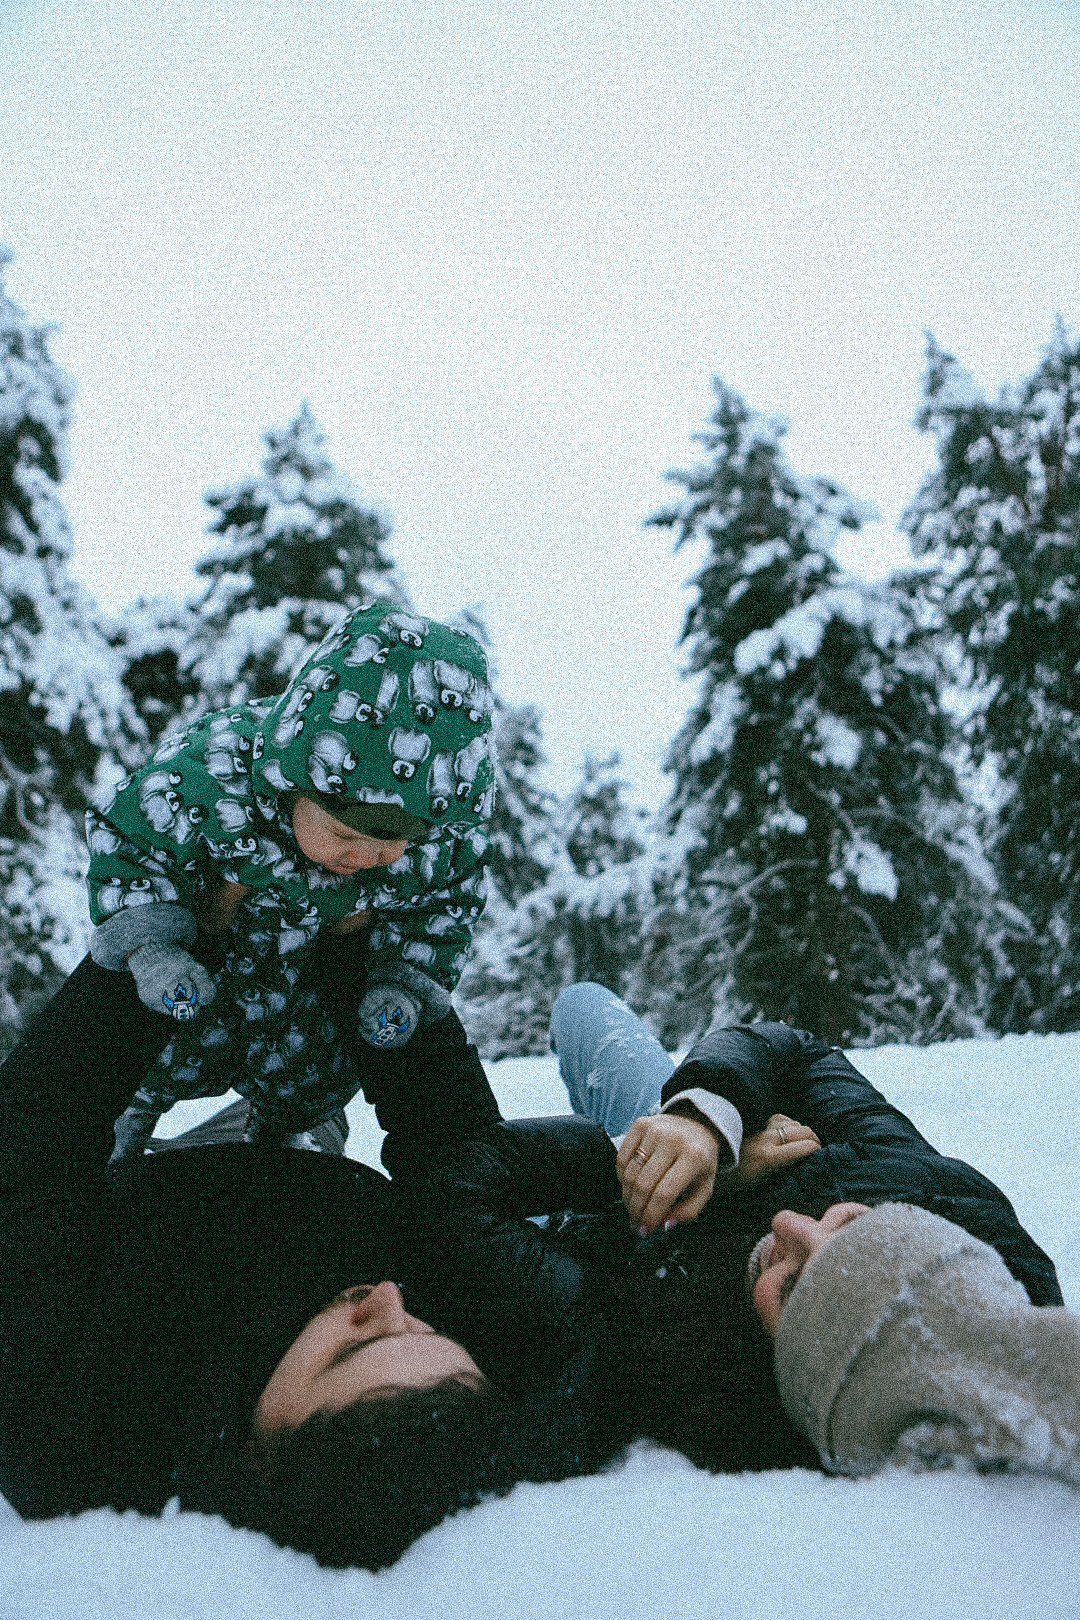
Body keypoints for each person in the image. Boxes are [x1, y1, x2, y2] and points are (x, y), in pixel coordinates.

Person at [0, 954, 603, 1571]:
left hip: (149, 1192)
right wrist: (377, 981)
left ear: (258, 1456)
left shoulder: (77, 1420)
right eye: (429, 1328)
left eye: (354, 1346)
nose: (390, 1297)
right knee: (310, 1103)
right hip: (325, 1176)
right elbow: (457, 1157)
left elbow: (33, 1141)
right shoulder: (476, 1381)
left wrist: (145, 971)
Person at [401, 982, 1062, 1475]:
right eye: (856, 1227)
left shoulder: (656, 1353)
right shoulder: (915, 1191)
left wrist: (622, 1165)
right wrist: (705, 1122)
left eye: (795, 1287)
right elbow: (793, 1049)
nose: (792, 1225)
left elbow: (453, 1187)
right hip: (701, 1158)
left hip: (591, 1224)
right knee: (583, 1005)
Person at [84, 601, 495, 1165]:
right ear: (297, 778)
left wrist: (401, 976)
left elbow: (446, 905)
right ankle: (122, 1126)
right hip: (208, 961)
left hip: (302, 988)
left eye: (390, 844)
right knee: (149, 1052)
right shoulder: (211, 776)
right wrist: (151, 942)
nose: (365, 857)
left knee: (312, 1074)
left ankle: (290, 1135)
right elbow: (129, 835)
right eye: (343, 834)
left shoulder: (435, 839)